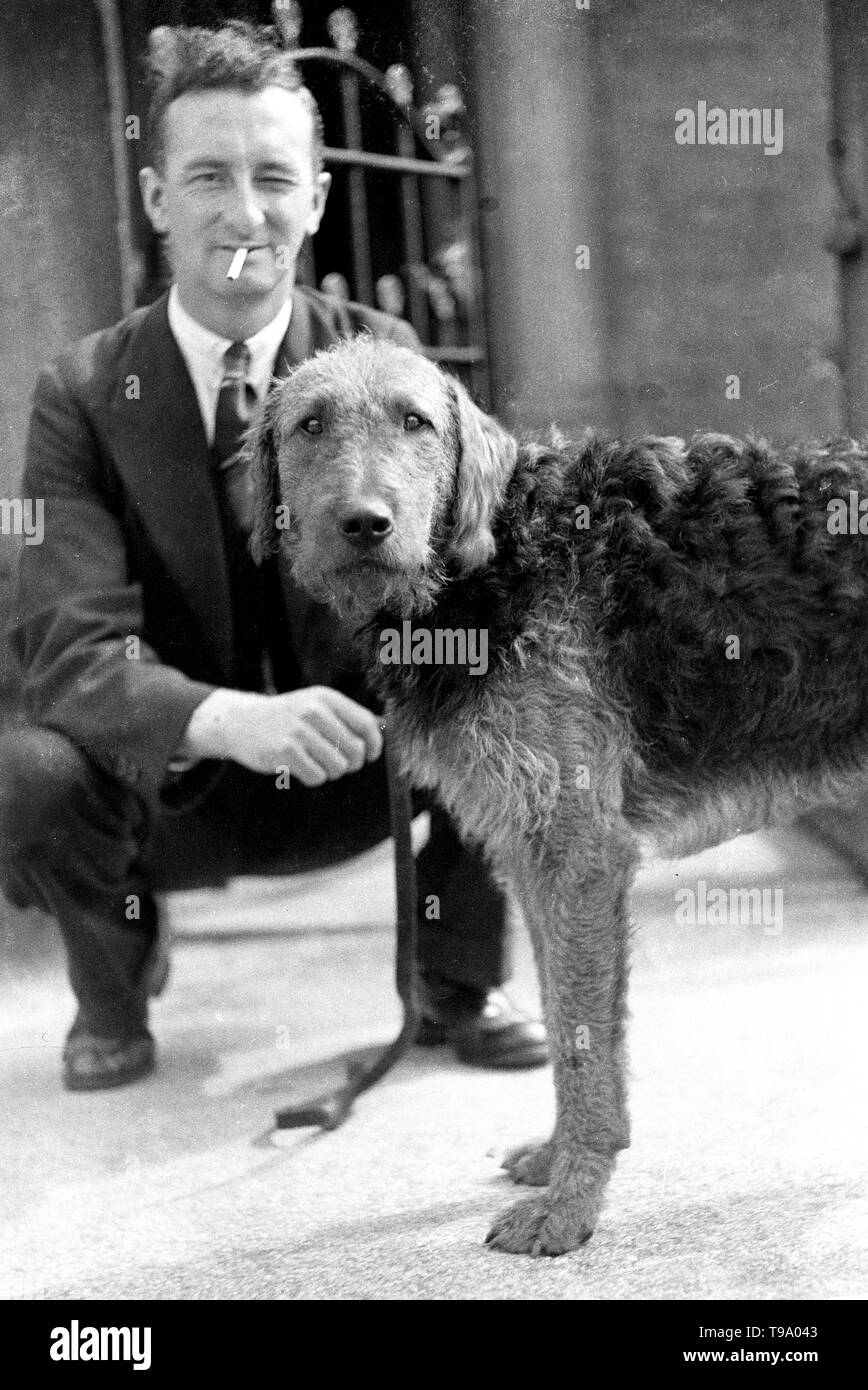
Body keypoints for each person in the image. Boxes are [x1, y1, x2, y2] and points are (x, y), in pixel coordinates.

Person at [0, 21, 547, 1091]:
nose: (244, 214)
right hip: (177, 794)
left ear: (320, 197)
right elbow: (68, 654)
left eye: (272, 178)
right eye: (208, 175)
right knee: (27, 767)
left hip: (355, 772)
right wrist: (236, 721)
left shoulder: (387, 368)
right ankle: (114, 978)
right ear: (159, 199)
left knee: (504, 675)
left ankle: (454, 974)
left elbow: (480, 582)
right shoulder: (79, 392)